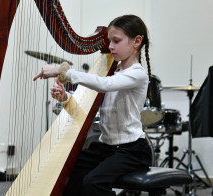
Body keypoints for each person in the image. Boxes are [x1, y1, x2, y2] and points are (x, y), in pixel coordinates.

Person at [34, 14, 152, 196]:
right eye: (109, 41)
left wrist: (62, 71)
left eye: (116, 41)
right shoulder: (114, 71)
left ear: (136, 41)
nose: (110, 46)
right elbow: (88, 106)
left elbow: (104, 85)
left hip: (132, 150)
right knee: (68, 172)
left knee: (93, 183)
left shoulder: (137, 74)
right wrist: (65, 97)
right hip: (106, 147)